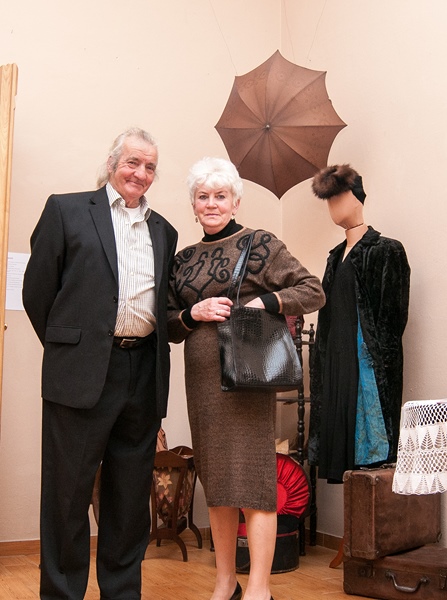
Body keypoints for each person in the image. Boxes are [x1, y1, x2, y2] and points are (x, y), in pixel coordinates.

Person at [22, 127, 178, 600]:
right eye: (133, 162)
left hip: (142, 374)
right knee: (67, 496)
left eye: (150, 167)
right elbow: (37, 292)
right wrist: (73, 349)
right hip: (82, 373)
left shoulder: (164, 230)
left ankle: (122, 592)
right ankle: (62, 593)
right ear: (112, 164)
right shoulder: (66, 210)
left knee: (129, 500)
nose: (141, 173)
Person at [167, 157, 325, 600]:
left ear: (235, 201)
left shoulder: (260, 244)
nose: (211, 204)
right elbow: (168, 324)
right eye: (203, 196)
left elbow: (313, 289)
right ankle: (225, 582)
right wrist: (192, 313)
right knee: (218, 485)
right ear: (193, 205)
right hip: (202, 385)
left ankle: (259, 587)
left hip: (246, 382)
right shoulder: (182, 260)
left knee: (254, 485)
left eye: (220, 196)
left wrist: (263, 303)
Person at [308, 164, 410, 483]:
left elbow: (392, 321)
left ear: (356, 198)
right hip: (336, 360)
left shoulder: (386, 250)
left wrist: (376, 361)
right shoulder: (334, 256)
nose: (332, 206)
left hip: (365, 363)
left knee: (369, 454)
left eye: (337, 197)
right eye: (328, 200)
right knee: (344, 456)